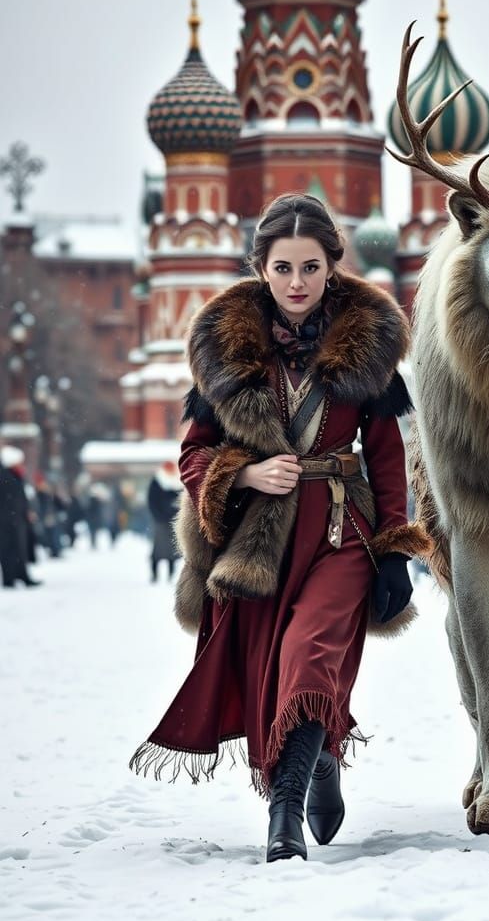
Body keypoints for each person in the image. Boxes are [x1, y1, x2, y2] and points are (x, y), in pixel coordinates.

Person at [130, 194, 429, 862]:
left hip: (338, 533)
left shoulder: (368, 344)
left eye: (311, 267)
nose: (297, 283)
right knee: (272, 678)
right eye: (283, 267)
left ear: (333, 267)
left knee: (309, 658)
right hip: (258, 543)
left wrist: (392, 553)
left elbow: (386, 461)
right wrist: (244, 473)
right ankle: (320, 761)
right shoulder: (226, 347)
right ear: (260, 268)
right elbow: (193, 454)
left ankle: (284, 818)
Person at [0, 446, 41, 588]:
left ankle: (20, 576)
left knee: (19, 549)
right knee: (9, 550)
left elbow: (20, 498)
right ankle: (10, 579)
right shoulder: (5, 476)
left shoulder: (15, 475)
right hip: (7, 520)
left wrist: (26, 512)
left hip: (16, 519)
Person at [147, 461, 182, 582]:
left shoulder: (178, 482)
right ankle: (154, 574)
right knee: (158, 549)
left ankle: (170, 575)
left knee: (172, 549)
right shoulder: (157, 481)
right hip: (160, 520)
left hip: (174, 520)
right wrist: (157, 516)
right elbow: (151, 500)